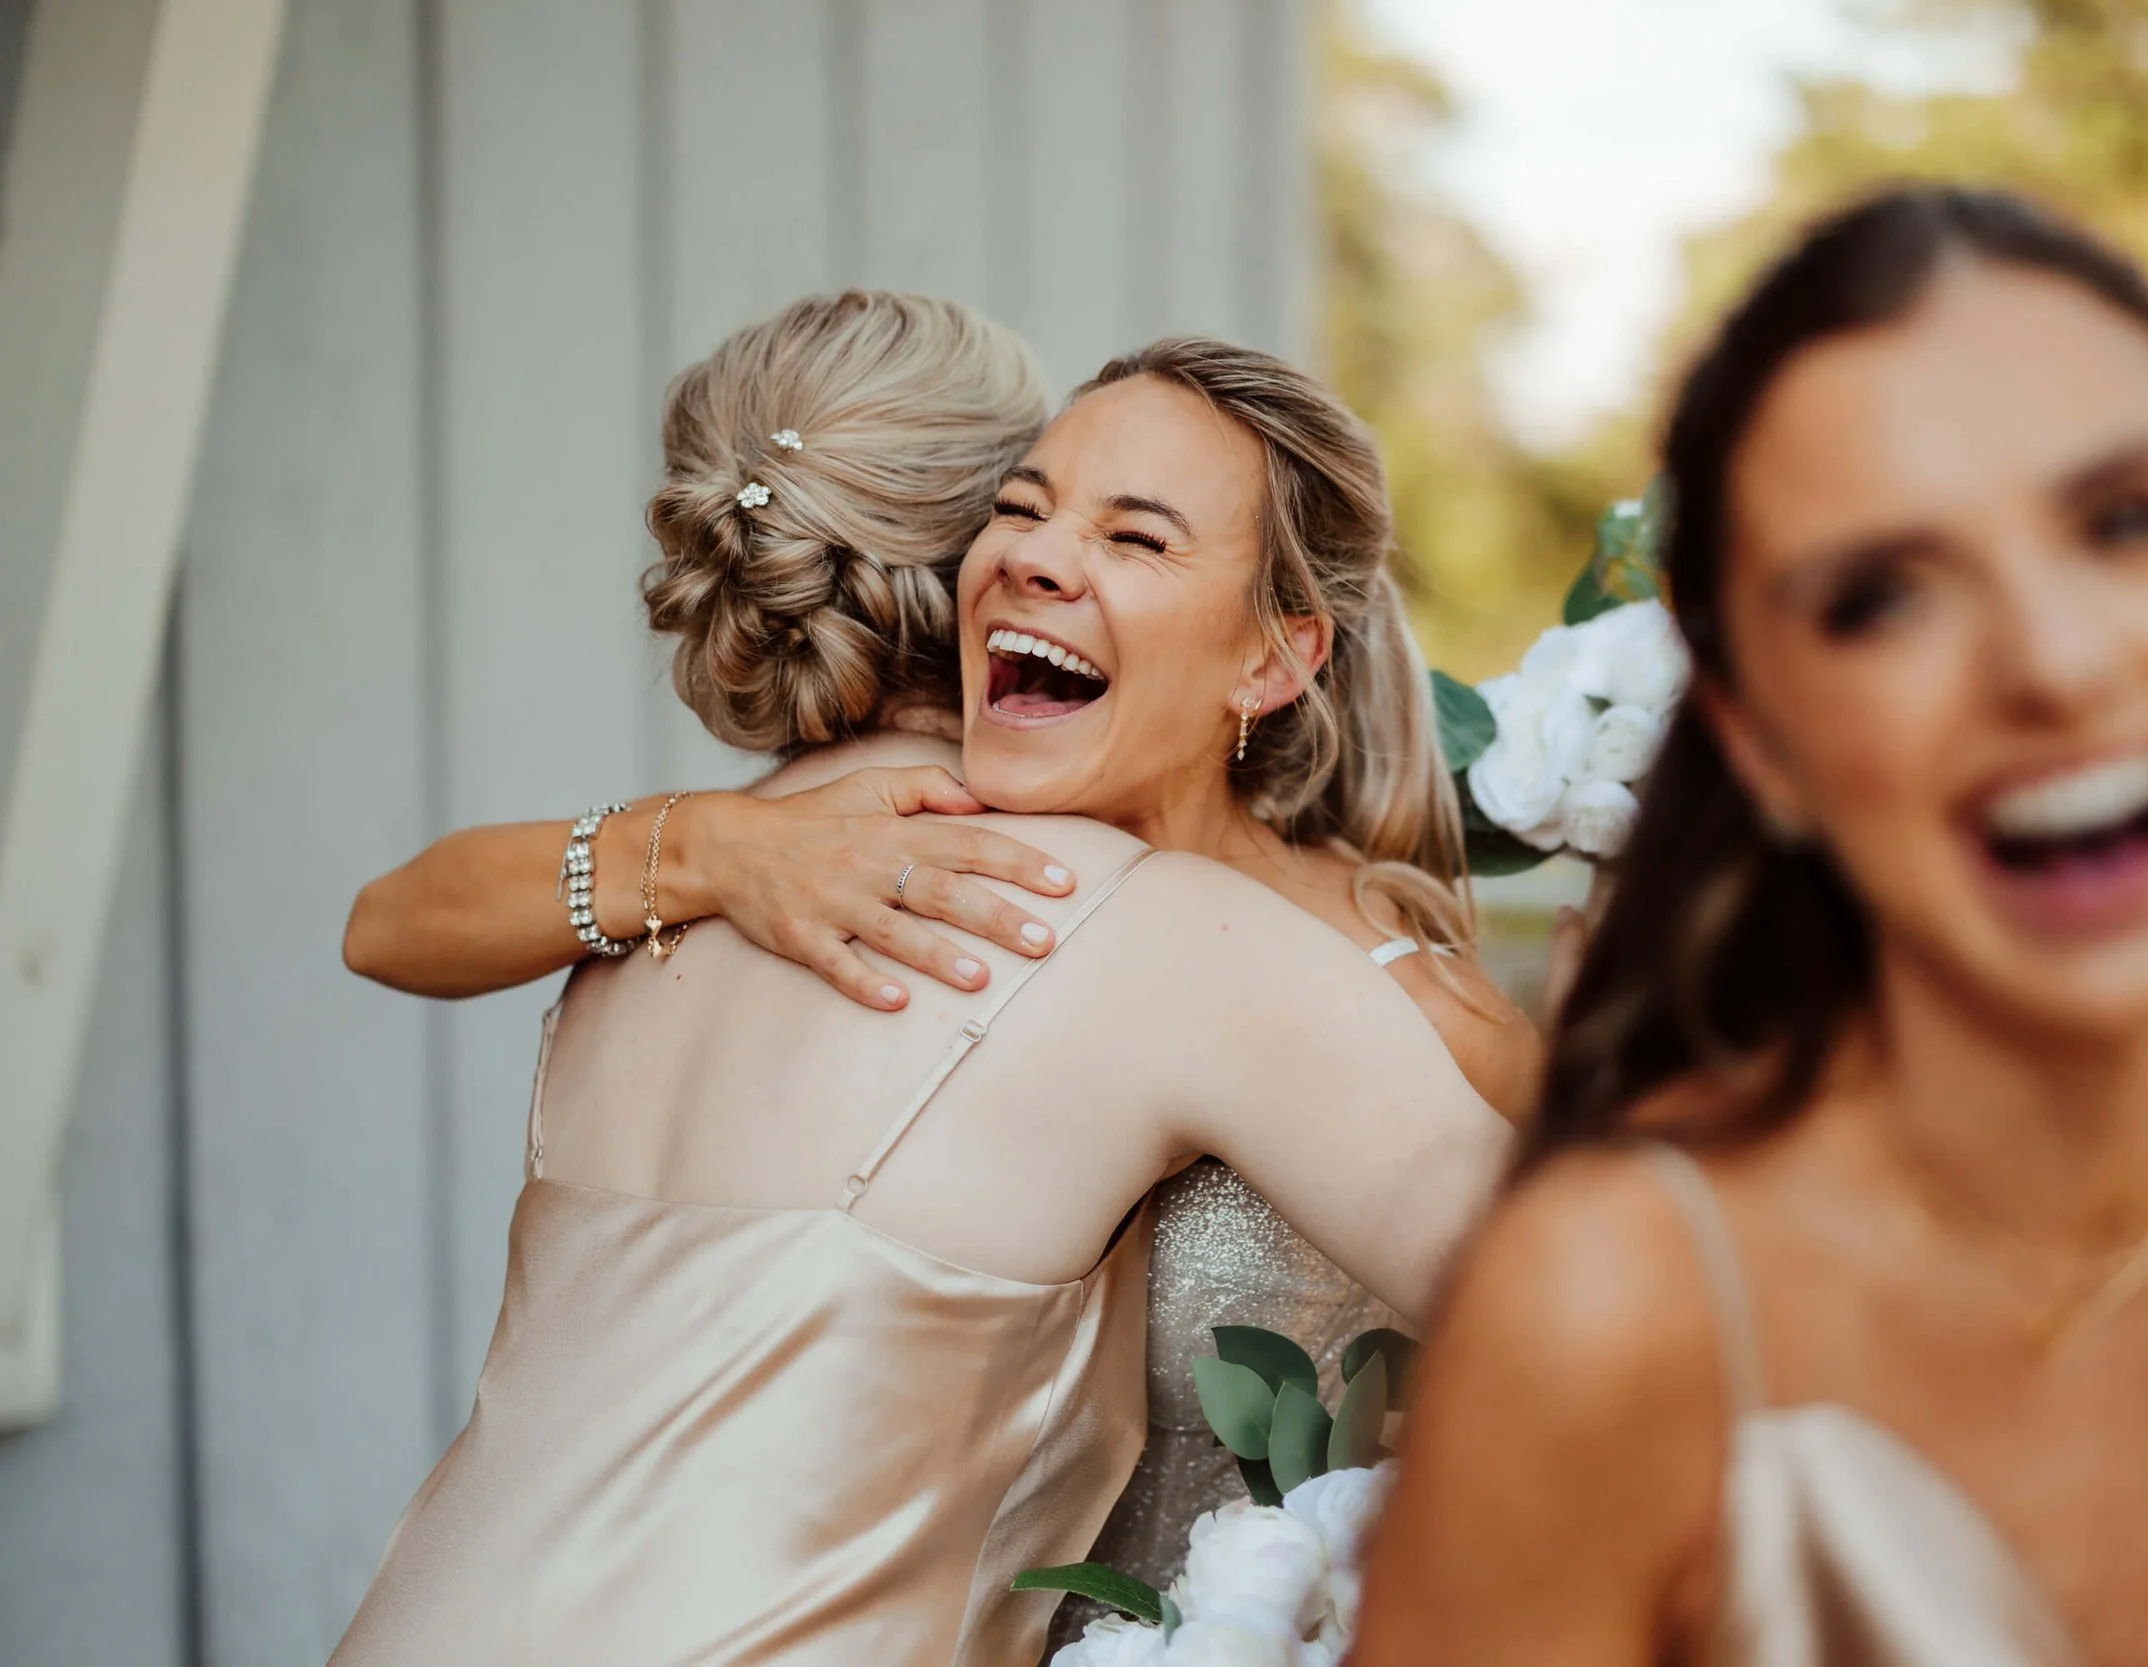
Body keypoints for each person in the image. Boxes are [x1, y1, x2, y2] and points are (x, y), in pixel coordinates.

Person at [1353, 185, 2148, 1666]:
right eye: (1883, 598)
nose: (2058, 663)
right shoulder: (1610, 1310)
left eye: (2130, 519)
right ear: (1757, 738)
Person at [329, 295, 1522, 1666]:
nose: (1043, 555)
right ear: (957, 547)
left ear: (1276, 652)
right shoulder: (1144, 934)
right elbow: (1596, 1312)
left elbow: (384, 922)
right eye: (1024, 507)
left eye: (1133, 533)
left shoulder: (663, 899)